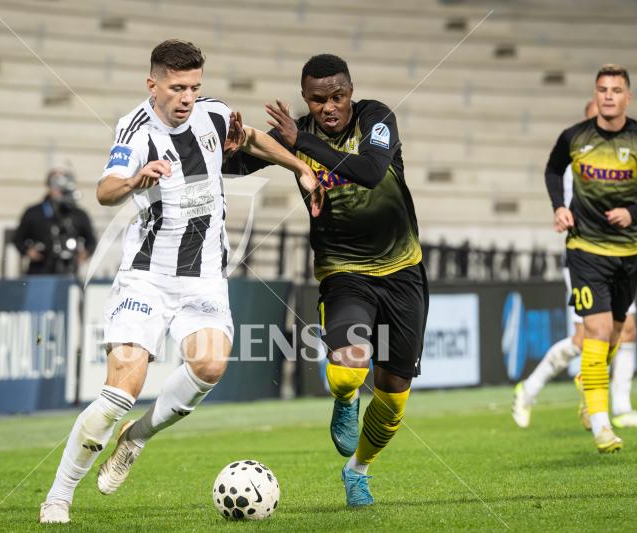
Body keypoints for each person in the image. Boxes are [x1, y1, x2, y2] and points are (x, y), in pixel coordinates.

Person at [38, 39, 321, 524]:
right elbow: (105, 190)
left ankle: (137, 438)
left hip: (205, 277)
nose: (187, 97)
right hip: (147, 277)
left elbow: (253, 139)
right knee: (121, 390)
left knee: (210, 366)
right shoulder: (135, 130)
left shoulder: (213, 115)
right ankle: (59, 496)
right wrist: (135, 180)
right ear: (153, 85)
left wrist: (300, 167)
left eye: (194, 86)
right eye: (176, 88)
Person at [225, 53, 428, 507]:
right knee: (346, 371)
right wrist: (228, 148)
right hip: (343, 271)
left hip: (403, 271)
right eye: (318, 100)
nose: (329, 107)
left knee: (394, 397)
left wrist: (302, 143)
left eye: (337, 97)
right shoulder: (293, 135)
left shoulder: (376, 118)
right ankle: (345, 398)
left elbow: (371, 172)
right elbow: (237, 165)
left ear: (351, 92)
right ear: (306, 98)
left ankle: (358, 469)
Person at [512, 101, 637, 430]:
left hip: (620, 254)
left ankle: (620, 406)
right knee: (585, 338)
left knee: (626, 329)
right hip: (586, 258)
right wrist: (561, 210)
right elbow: (558, 182)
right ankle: (530, 389)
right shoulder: (578, 160)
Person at [543, 64, 637, 453]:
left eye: (616, 90)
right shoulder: (574, 137)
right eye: (602, 89)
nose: (608, 96)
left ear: (627, 97)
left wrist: (634, 213)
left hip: (628, 252)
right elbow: (553, 170)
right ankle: (602, 426)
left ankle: (589, 385)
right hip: (585, 250)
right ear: (595, 94)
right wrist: (559, 207)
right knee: (597, 331)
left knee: (617, 332)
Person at [12, 168, 97, 275]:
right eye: (56, 184)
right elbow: (18, 239)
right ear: (49, 186)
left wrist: (84, 254)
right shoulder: (34, 212)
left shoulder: (78, 214)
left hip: (69, 271)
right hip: (40, 270)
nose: (60, 189)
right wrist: (28, 251)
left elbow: (91, 241)